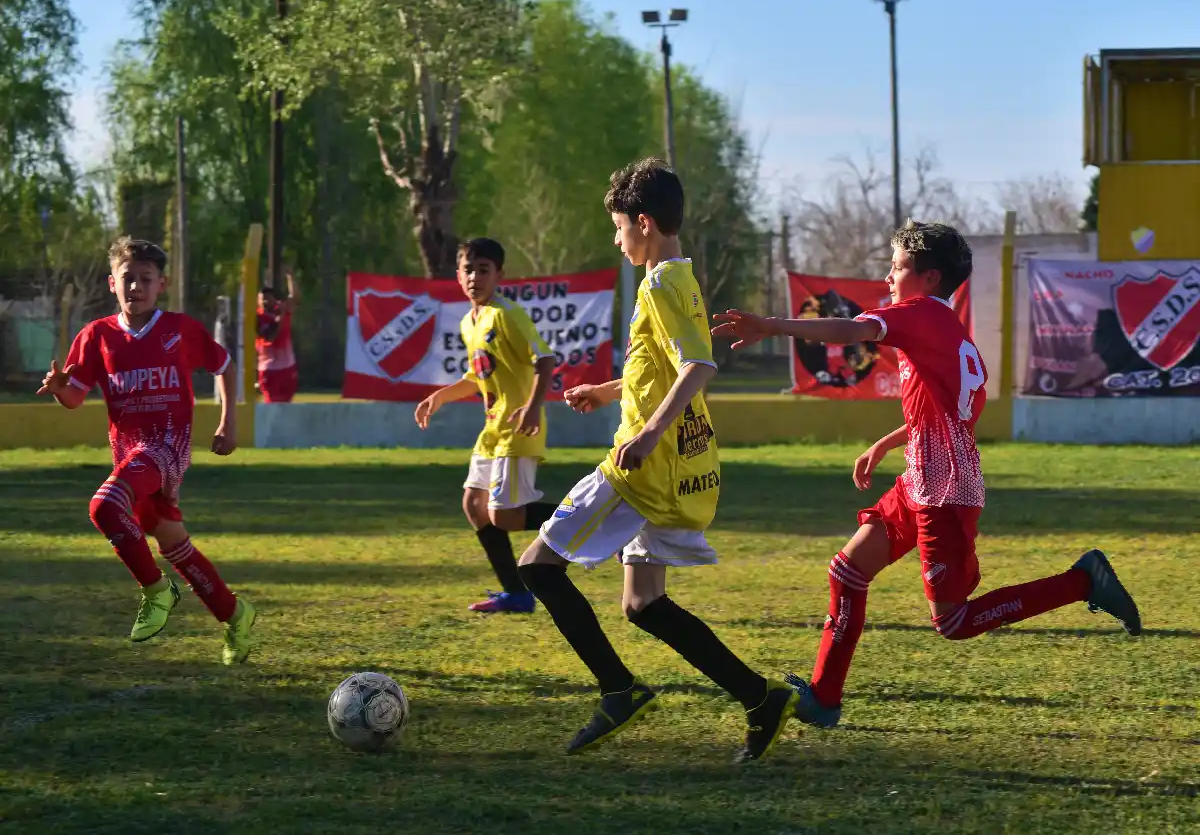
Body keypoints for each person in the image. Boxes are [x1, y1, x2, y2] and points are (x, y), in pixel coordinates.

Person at [711, 219, 1141, 728]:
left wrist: (772, 325)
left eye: (897, 267)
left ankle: (1082, 581)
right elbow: (950, 413)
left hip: (945, 490)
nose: (888, 277)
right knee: (847, 571)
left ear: (930, 277)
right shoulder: (950, 330)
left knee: (953, 621)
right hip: (921, 478)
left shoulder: (920, 314)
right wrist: (888, 442)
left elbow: (851, 331)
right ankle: (824, 698)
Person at [516, 159, 798, 764]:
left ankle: (619, 690)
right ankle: (760, 697)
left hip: (644, 469)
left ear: (643, 223)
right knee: (643, 604)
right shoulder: (681, 278)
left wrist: (645, 433)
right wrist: (608, 391)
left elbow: (698, 366)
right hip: (679, 465)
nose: (617, 241)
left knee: (537, 567)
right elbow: (666, 366)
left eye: (619, 228)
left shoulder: (659, 286)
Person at [38, 237, 257, 665]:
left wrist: (227, 423)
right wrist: (61, 389)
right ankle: (235, 615)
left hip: (165, 450)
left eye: (146, 279)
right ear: (112, 283)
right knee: (175, 545)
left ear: (162, 284)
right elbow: (75, 398)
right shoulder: (96, 336)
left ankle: (156, 591)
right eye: (128, 278)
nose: (136, 286)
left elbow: (225, 366)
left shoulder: (179, 329)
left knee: (103, 506)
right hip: (129, 457)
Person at [415, 238, 559, 613]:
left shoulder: (506, 314)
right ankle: (516, 594)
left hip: (518, 425)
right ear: (458, 275)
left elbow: (545, 360)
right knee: (474, 504)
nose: (475, 277)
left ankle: (596, 517)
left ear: (499, 275)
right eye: (469, 269)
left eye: (483, 270)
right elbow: (477, 376)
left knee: (505, 516)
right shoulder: (470, 322)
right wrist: (441, 396)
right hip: (493, 428)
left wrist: (532, 408)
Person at [256, 267, 299, 403]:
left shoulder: (281, 309)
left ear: (274, 299)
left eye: (267, 299)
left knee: (286, 404)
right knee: (272, 405)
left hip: (288, 366)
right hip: (270, 369)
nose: (265, 302)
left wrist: (290, 276)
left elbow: (294, 298)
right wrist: (280, 316)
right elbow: (270, 335)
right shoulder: (258, 318)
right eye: (262, 299)